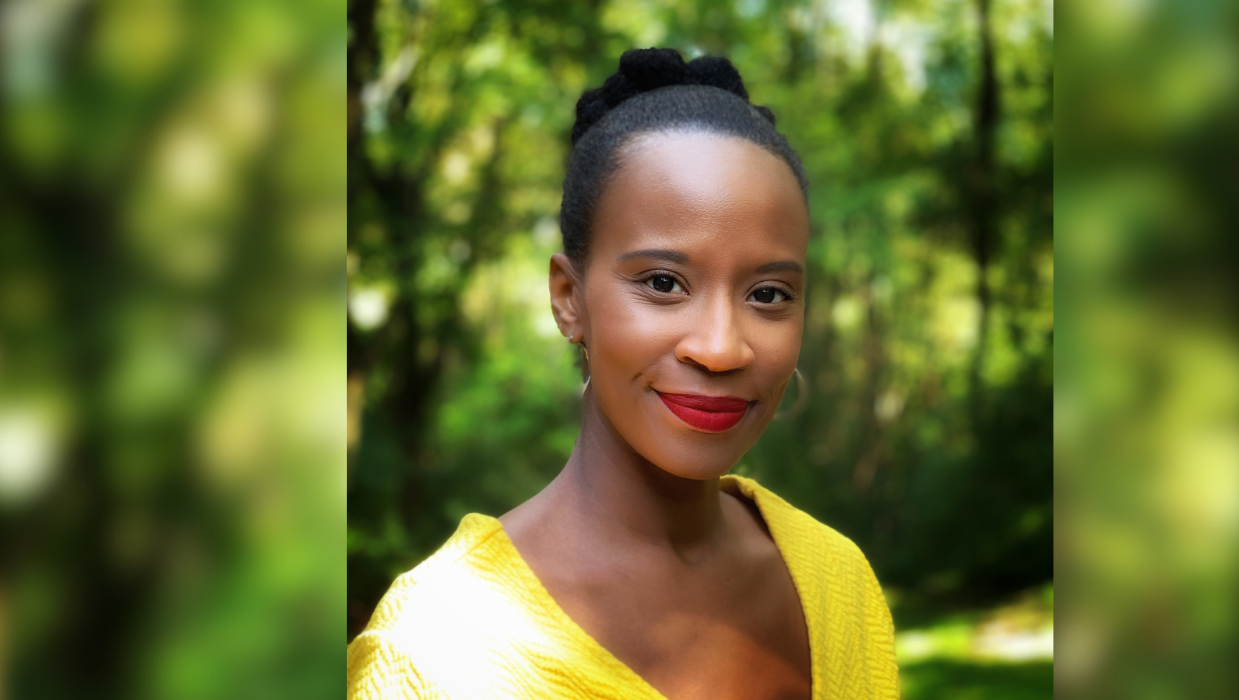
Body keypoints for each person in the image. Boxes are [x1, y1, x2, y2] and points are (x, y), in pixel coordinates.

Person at [347, 48, 898, 700]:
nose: (721, 349)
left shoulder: (839, 582)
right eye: (664, 283)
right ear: (568, 298)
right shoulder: (440, 652)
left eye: (768, 294)